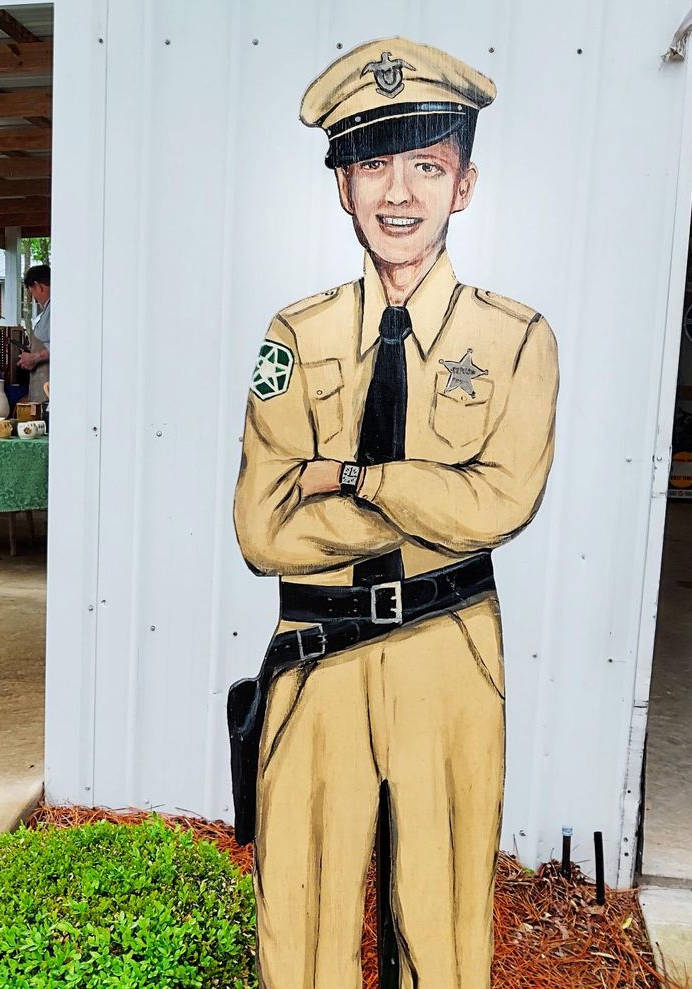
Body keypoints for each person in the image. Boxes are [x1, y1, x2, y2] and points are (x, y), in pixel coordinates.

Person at [231, 38, 560, 989]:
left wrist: (353, 478)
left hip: (448, 650)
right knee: (300, 919)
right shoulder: (294, 335)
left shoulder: (517, 340)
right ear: (341, 186)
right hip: (316, 651)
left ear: (464, 184)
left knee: (447, 923)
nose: (399, 193)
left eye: (426, 163)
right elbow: (263, 529)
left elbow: (502, 500)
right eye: (372, 164)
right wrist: (435, 498)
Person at [18, 264, 50, 402]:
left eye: (33, 292)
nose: (35, 299)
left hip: (49, 386)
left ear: (38, 286)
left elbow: (64, 345)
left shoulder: (58, 309)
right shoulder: (48, 310)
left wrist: (35, 357)